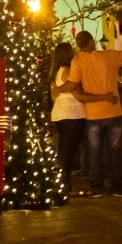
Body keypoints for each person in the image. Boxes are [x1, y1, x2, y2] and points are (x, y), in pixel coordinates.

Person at [61, 29, 122, 198]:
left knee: (94, 152)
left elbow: (71, 84)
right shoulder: (108, 56)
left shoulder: (77, 61)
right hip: (113, 112)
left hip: (93, 115)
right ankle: (117, 188)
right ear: (92, 42)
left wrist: (56, 90)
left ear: (79, 45)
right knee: (115, 152)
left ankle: (96, 188)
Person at [49, 42, 86, 200]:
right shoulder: (68, 71)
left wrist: (59, 89)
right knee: (67, 153)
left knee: (65, 151)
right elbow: (75, 87)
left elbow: (53, 96)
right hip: (72, 114)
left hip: (61, 114)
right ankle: (63, 185)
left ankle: (63, 184)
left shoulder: (55, 73)